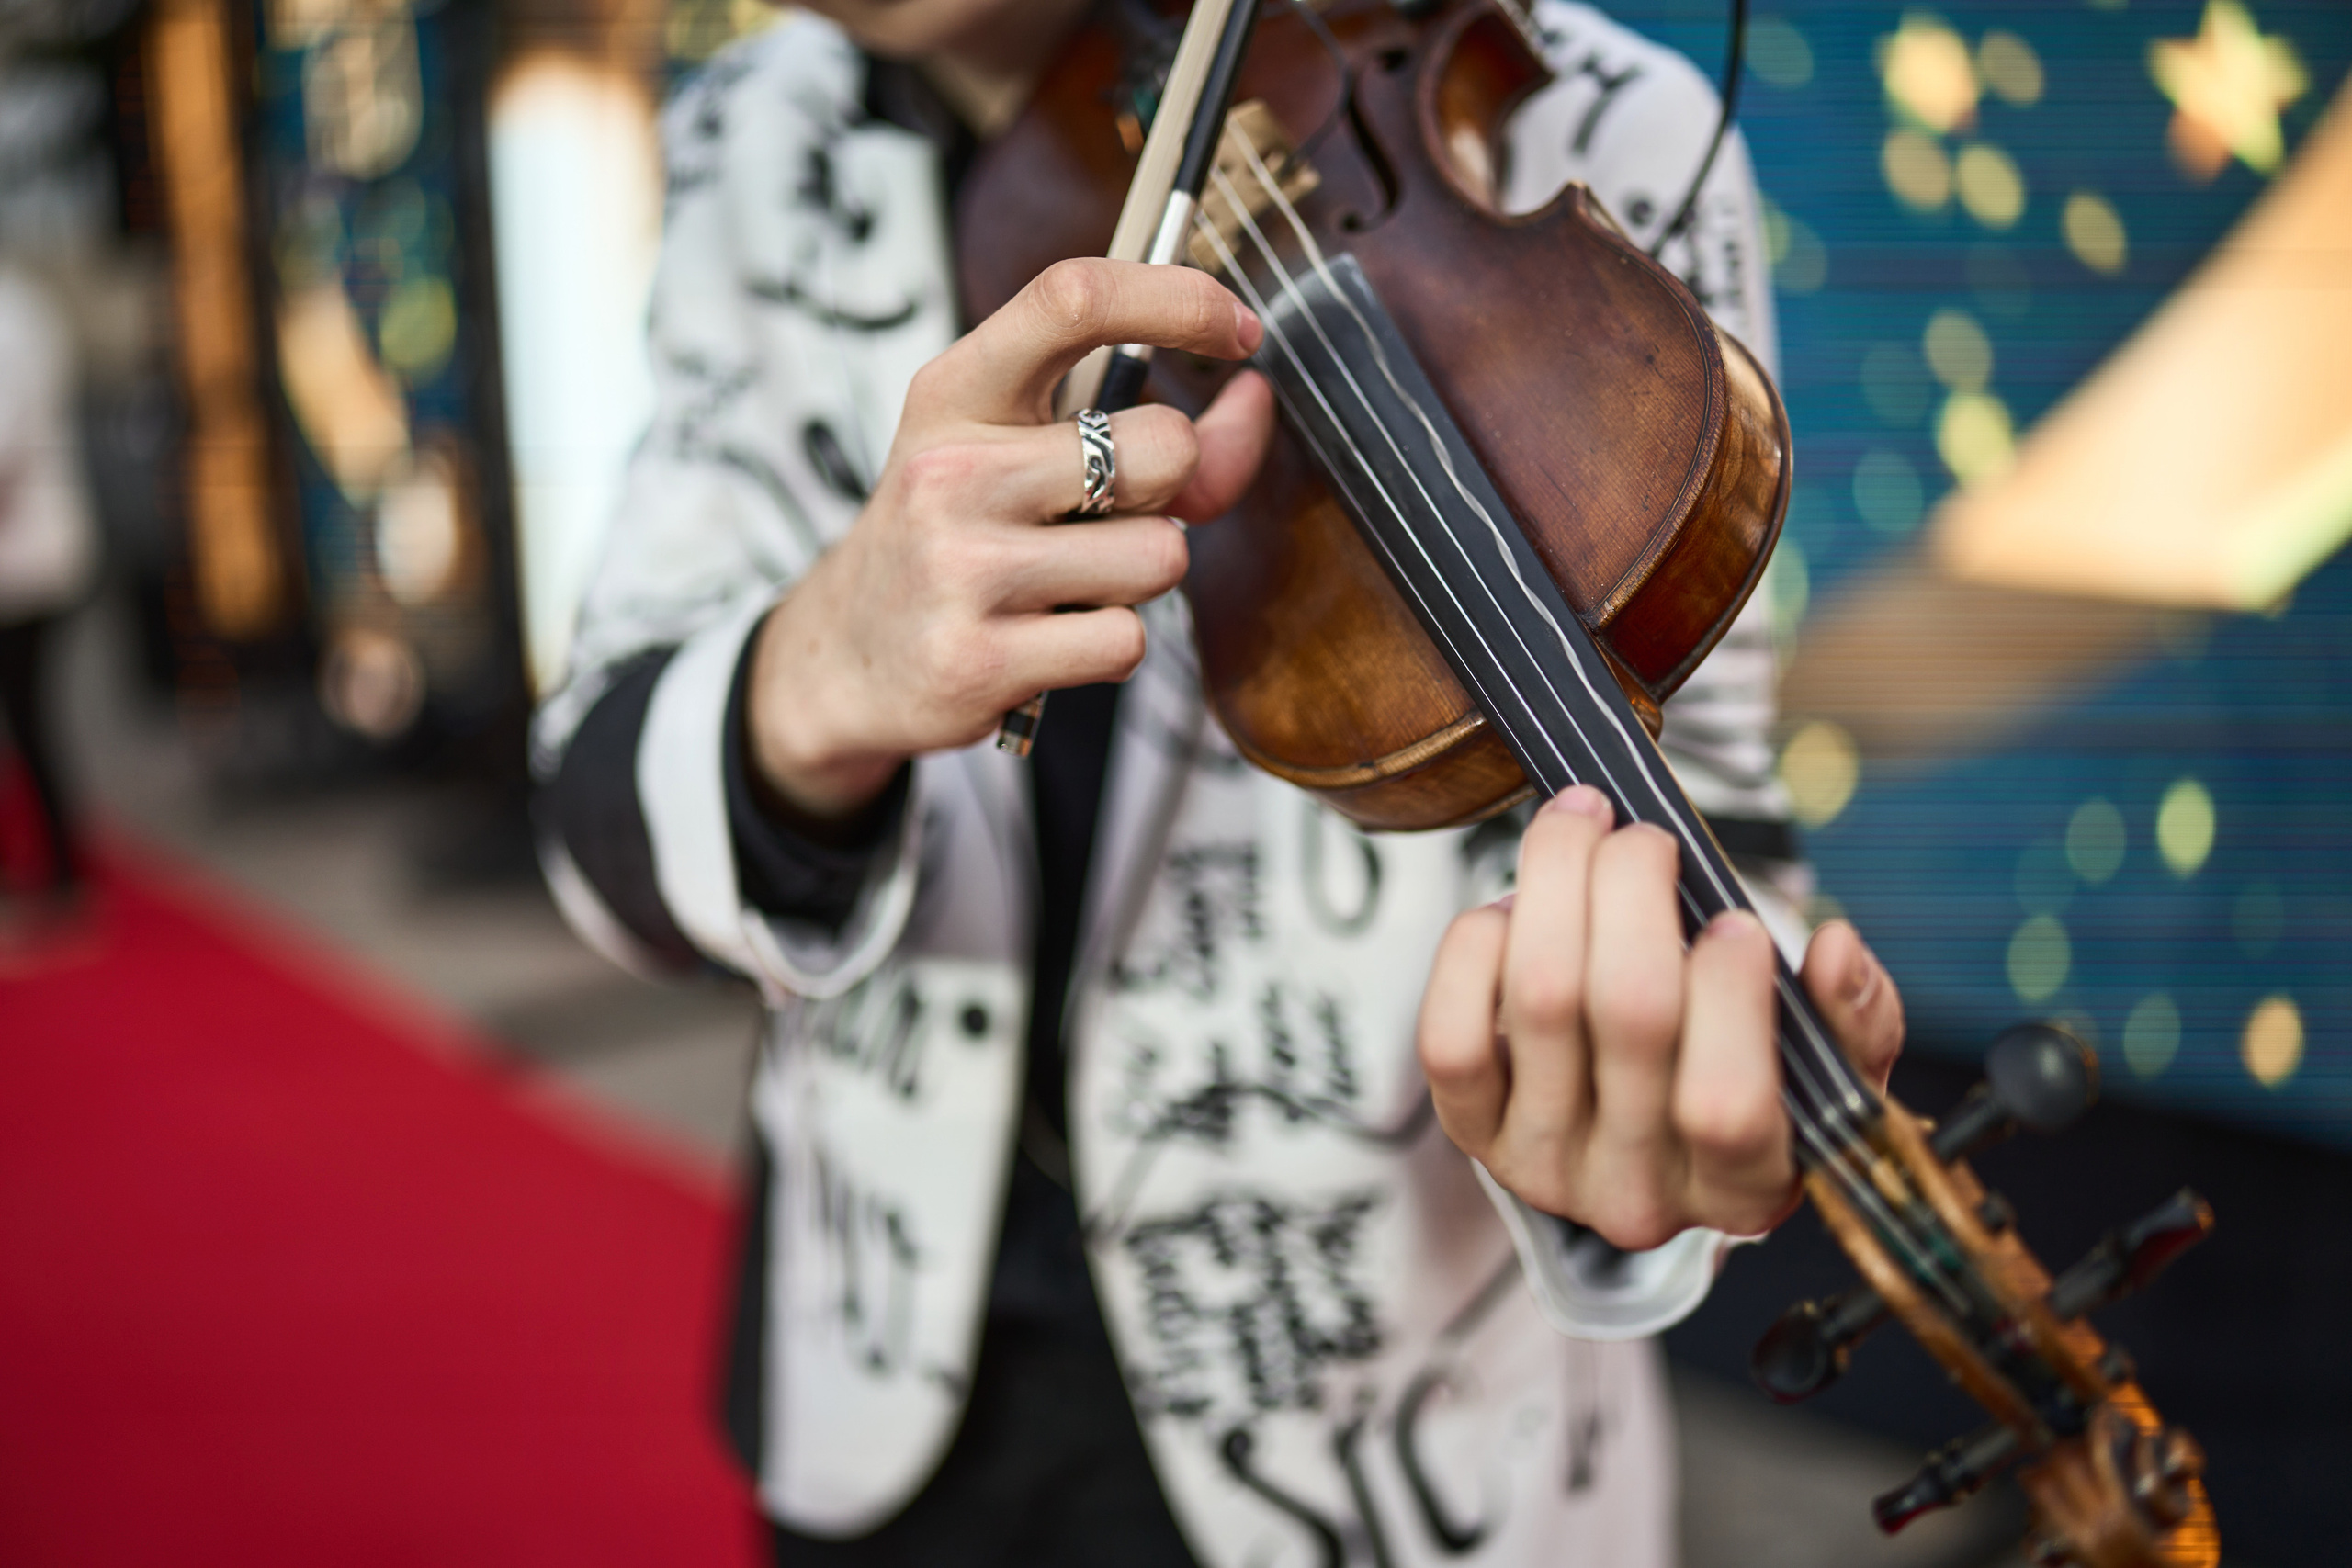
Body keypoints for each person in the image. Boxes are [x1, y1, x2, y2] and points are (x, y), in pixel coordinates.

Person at [533, 2, 1905, 1563]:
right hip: (893, 1401)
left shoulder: (1555, 100)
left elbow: (1697, 811)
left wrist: (1626, 1104)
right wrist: (817, 669)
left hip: (1383, 1448)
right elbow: (597, 833)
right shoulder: (755, 132)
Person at [0, 260, 96, 927]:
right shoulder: (25, 305)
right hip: (30, 553)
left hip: (28, 559)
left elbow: (8, 444)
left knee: (31, 721)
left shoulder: (13, 317)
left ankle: (62, 877)